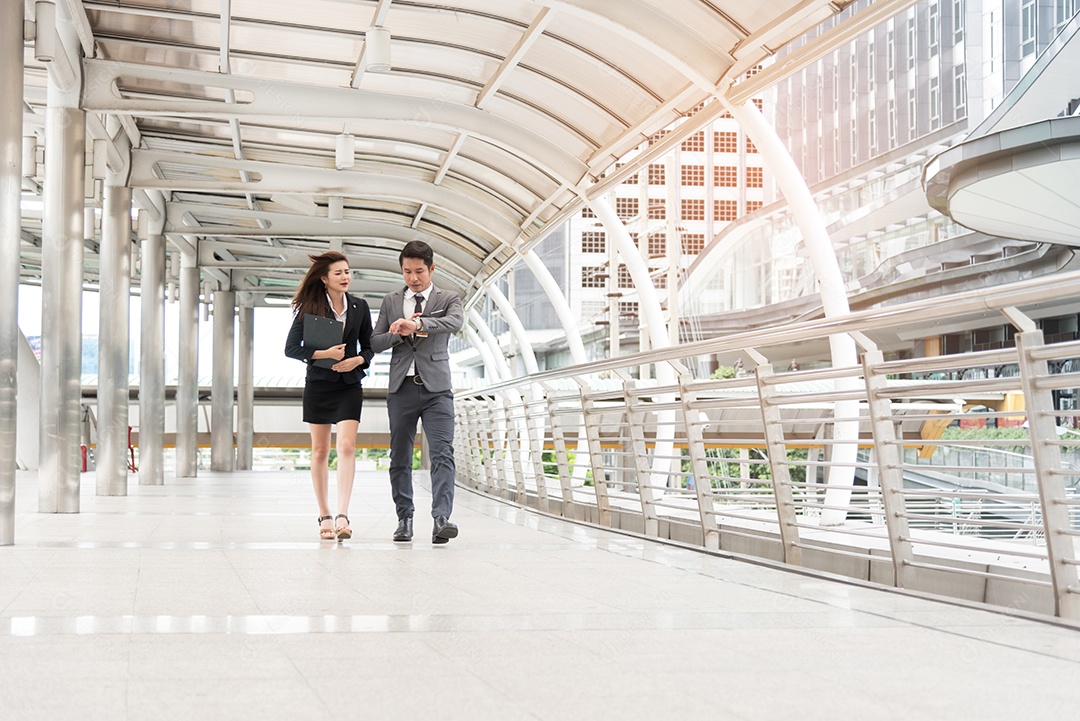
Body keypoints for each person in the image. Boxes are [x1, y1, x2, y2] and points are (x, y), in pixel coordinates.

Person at [371, 240, 464, 544]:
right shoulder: (391, 301)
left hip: (437, 390)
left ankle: (441, 519)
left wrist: (419, 324)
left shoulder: (448, 298)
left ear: (431, 269)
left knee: (442, 454)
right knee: (400, 456)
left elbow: (455, 322)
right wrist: (398, 333)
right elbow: (375, 341)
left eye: (419, 271)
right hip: (402, 389)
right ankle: (404, 518)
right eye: (407, 271)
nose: (413, 278)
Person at [285, 251, 374, 541]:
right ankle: (324, 513)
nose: (345, 277)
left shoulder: (360, 306)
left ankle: (343, 515)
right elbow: (291, 349)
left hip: (349, 384)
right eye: (338, 273)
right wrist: (325, 354)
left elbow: (369, 347)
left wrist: (357, 360)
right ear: (324, 278)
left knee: (346, 446)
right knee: (321, 450)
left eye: (347, 271)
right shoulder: (310, 308)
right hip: (319, 384)